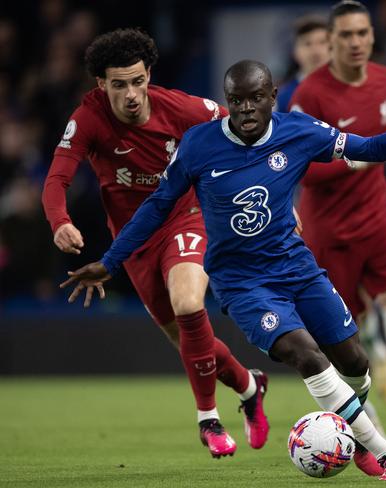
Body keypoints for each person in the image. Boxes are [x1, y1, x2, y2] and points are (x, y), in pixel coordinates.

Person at [59, 60, 386, 481]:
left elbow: (365, 147)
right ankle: (383, 449)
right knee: (306, 354)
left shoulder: (299, 132)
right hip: (242, 283)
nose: (245, 109)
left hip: (297, 269)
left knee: (355, 359)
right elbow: (156, 207)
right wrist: (110, 261)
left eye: (254, 99)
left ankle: (353, 434)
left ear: (272, 97)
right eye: (236, 101)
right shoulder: (198, 144)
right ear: (227, 102)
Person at [41, 28, 269, 458]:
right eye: (119, 84)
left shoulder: (181, 108)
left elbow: (244, 129)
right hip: (133, 240)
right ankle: (250, 385)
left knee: (188, 303)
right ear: (101, 84)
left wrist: (271, 191)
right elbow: (57, 177)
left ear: (150, 76)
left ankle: (208, 420)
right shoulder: (88, 118)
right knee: (188, 340)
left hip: (187, 217)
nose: (131, 93)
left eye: (138, 81)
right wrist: (59, 221)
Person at [289, 0, 386, 429]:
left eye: (363, 33)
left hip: (380, 218)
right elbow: (301, 166)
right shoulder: (310, 94)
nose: (356, 42)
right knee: (343, 335)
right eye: (346, 35)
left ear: (372, 36)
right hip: (329, 229)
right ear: (333, 41)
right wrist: (361, 159)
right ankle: (360, 404)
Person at [275, 15, 330, 113]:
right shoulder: (280, 99)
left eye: (322, 42)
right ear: (294, 52)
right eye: (307, 44)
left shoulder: (347, 89)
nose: (316, 51)